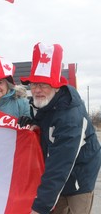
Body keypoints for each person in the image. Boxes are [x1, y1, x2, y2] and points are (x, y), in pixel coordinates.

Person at [20, 42, 101, 214]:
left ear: (56, 86)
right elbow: (44, 121)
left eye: (44, 85)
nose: (37, 90)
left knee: (74, 207)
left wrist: (39, 208)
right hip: (57, 172)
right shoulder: (42, 103)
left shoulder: (70, 117)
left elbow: (60, 165)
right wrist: (33, 123)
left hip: (80, 174)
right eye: (34, 84)